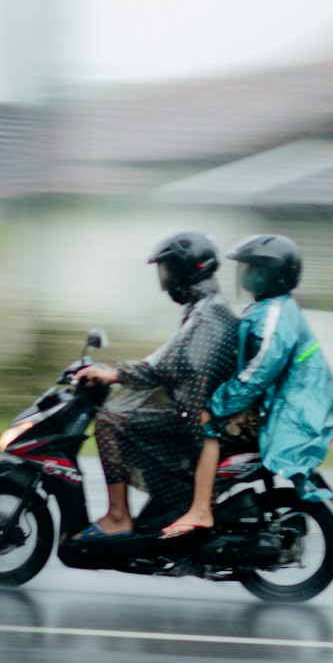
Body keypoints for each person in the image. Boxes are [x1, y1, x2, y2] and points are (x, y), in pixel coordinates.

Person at [162, 232, 333, 539]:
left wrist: (213, 407)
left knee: (205, 427)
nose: (245, 276)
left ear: (274, 276)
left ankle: (201, 510)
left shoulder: (274, 316)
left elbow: (257, 374)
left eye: (254, 269)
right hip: (286, 406)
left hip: (290, 416)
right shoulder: (270, 308)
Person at [73, 230, 237, 537]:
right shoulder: (206, 307)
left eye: (168, 270)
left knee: (110, 420)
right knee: (128, 411)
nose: (165, 280)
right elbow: (169, 359)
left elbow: (166, 365)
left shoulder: (207, 314)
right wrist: (121, 372)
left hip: (192, 420)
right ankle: (158, 510)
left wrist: (116, 374)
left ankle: (119, 517)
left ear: (189, 269)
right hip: (194, 412)